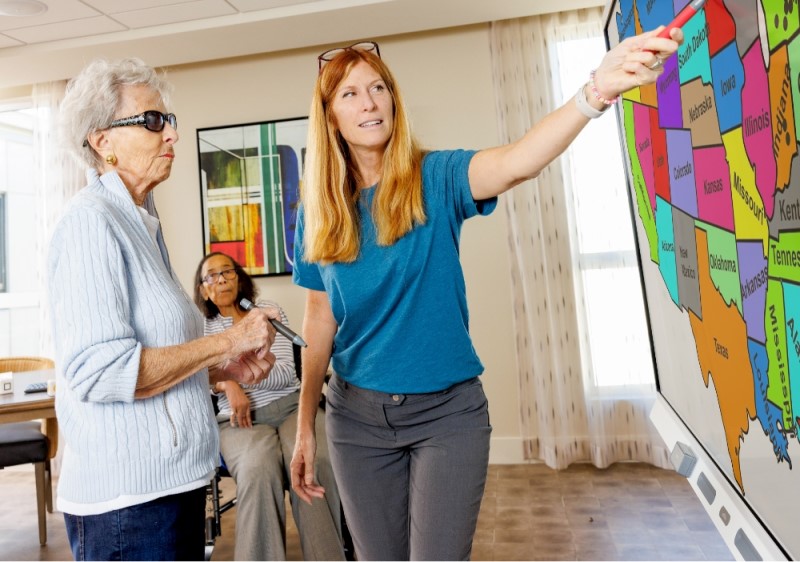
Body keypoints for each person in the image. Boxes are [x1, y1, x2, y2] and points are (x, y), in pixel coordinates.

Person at [289, 30, 683, 561]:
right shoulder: (317, 210)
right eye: (351, 93)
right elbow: (319, 322)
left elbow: (520, 160)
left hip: (446, 416)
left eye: (379, 88)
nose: (370, 102)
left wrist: (596, 91)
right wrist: (305, 425)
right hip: (356, 420)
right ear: (329, 115)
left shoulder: (434, 176)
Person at [48, 58, 280, 561]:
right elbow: (102, 371)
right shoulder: (90, 223)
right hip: (129, 507)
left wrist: (221, 368)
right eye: (153, 121)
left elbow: (153, 356)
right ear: (101, 140)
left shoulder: (141, 223)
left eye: (168, 121)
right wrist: (229, 340)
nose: (170, 134)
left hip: (172, 486)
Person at [193, 252, 345, 561]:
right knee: (258, 467)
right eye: (212, 276)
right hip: (240, 422)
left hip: (291, 408)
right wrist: (228, 383)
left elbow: (284, 374)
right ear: (203, 289)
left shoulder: (268, 315)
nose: (221, 279)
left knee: (313, 461)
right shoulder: (200, 330)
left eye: (228, 272)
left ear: (240, 277)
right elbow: (197, 376)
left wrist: (232, 371)